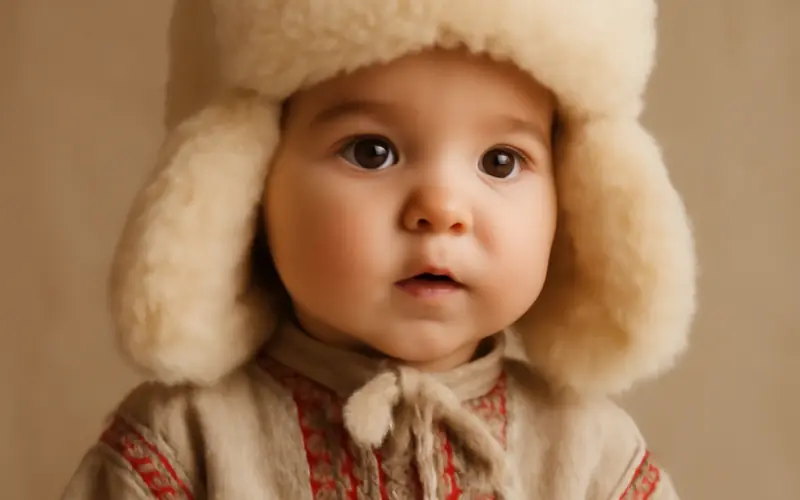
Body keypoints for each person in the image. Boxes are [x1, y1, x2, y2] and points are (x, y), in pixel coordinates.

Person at [61, 0, 697, 498]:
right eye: (372, 151)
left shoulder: (592, 455)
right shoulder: (183, 443)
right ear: (249, 181)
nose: (442, 208)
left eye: (501, 161)